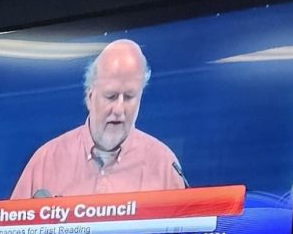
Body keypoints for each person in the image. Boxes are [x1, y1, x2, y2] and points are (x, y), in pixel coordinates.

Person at [11, 38, 186, 198]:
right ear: (90, 97)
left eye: (129, 97)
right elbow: (10, 229)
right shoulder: (45, 161)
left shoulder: (164, 165)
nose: (119, 109)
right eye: (111, 96)